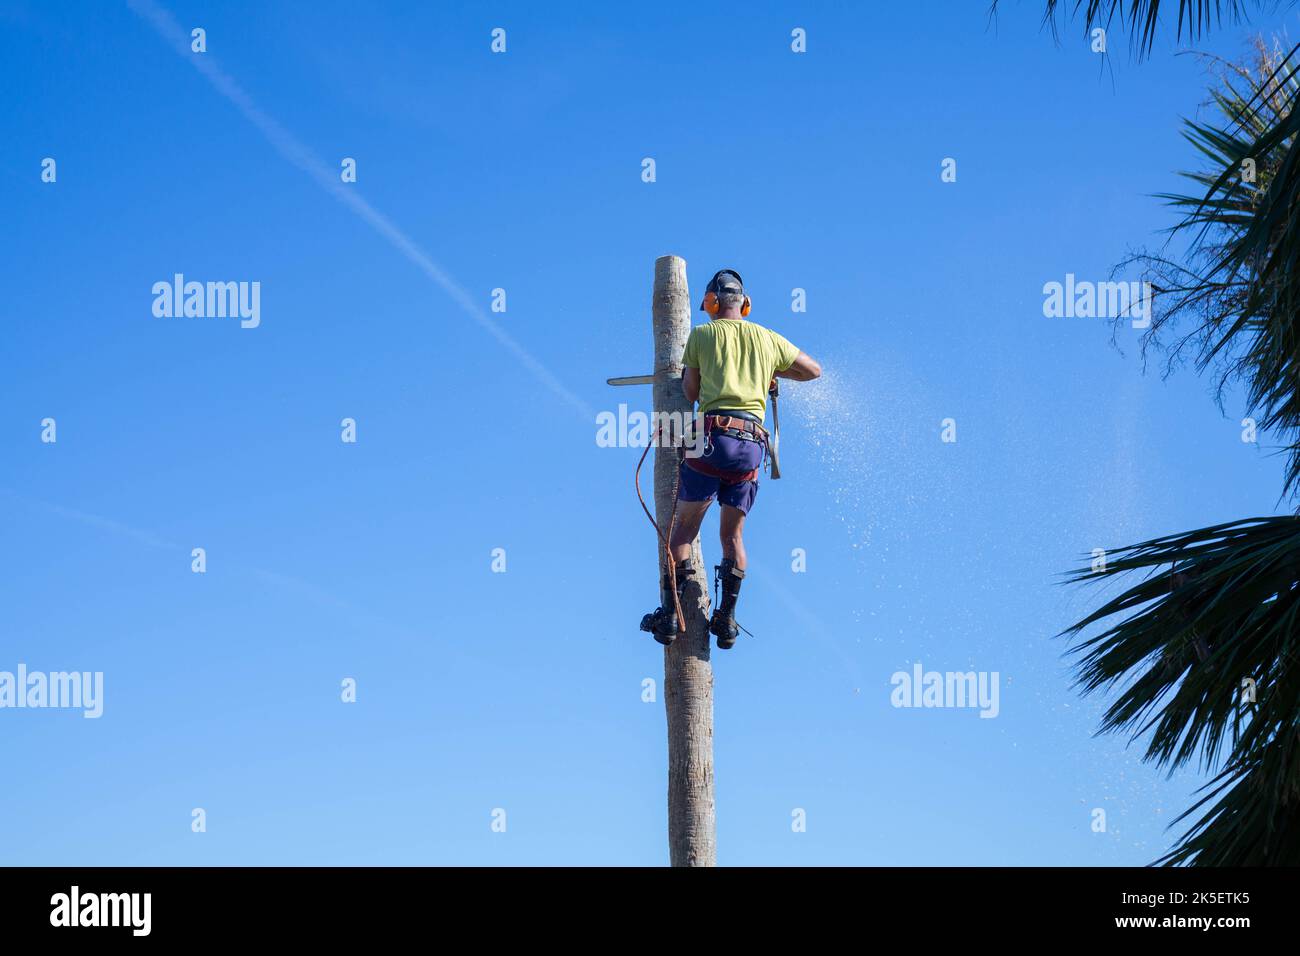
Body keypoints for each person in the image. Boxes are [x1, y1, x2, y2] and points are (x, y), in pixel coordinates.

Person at [640, 268, 821, 649]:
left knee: (684, 530)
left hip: (712, 439)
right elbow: (812, 370)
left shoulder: (703, 335)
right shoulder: (767, 338)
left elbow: (689, 392)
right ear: (746, 305)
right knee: (732, 535)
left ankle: (672, 615)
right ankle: (726, 620)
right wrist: (772, 372)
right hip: (750, 445)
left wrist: (704, 375)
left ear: (711, 302)